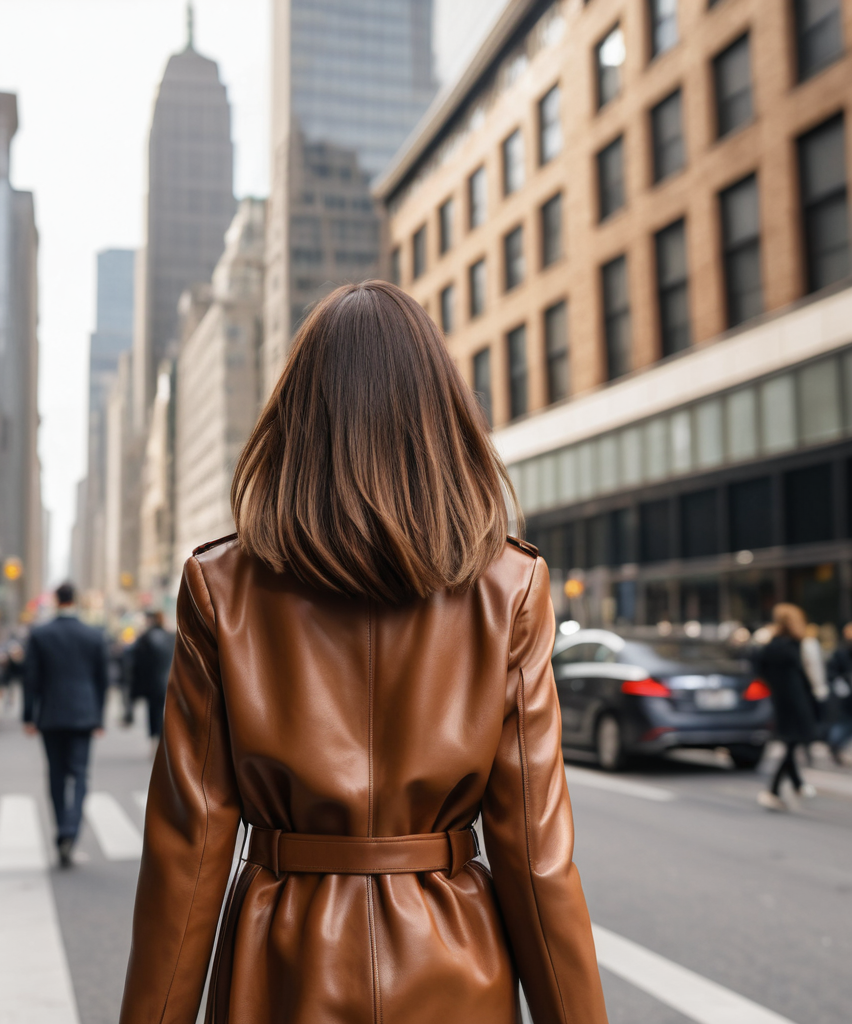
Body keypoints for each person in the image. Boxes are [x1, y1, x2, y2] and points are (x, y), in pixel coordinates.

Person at [119, 282, 608, 1024]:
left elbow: (188, 852)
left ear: (295, 418)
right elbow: (536, 857)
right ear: (442, 417)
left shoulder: (220, 585)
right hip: (456, 970)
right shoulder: (511, 585)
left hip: (276, 971)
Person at [23, 582, 108, 868]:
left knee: (56, 776)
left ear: (56, 600)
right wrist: (99, 717)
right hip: (84, 714)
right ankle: (71, 829)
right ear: (76, 600)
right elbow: (102, 680)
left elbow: (31, 680)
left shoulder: (40, 634)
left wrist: (28, 716)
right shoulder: (94, 635)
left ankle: (61, 828)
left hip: (51, 715)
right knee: (81, 775)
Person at [755, 603, 819, 811]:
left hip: (781, 701)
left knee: (791, 744)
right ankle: (773, 790)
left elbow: (760, 670)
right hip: (795, 700)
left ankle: (796, 785)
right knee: (792, 743)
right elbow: (806, 673)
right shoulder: (794, 644)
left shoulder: (771, 644)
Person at [130, 611, 174, 752]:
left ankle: (154, 744)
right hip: (170, 682)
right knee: (167, 713)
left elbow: (138, 665)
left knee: (153, 713)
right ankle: (166, 744)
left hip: (152, 684)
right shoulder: (172, 637)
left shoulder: (145, 638)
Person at [826, 622, 852, 762]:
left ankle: (836, 745)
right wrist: (840, 684)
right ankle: (834, 745)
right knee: (844, 722)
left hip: (846, 691)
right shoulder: (841, 651)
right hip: (846, 694)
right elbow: (832, 672)